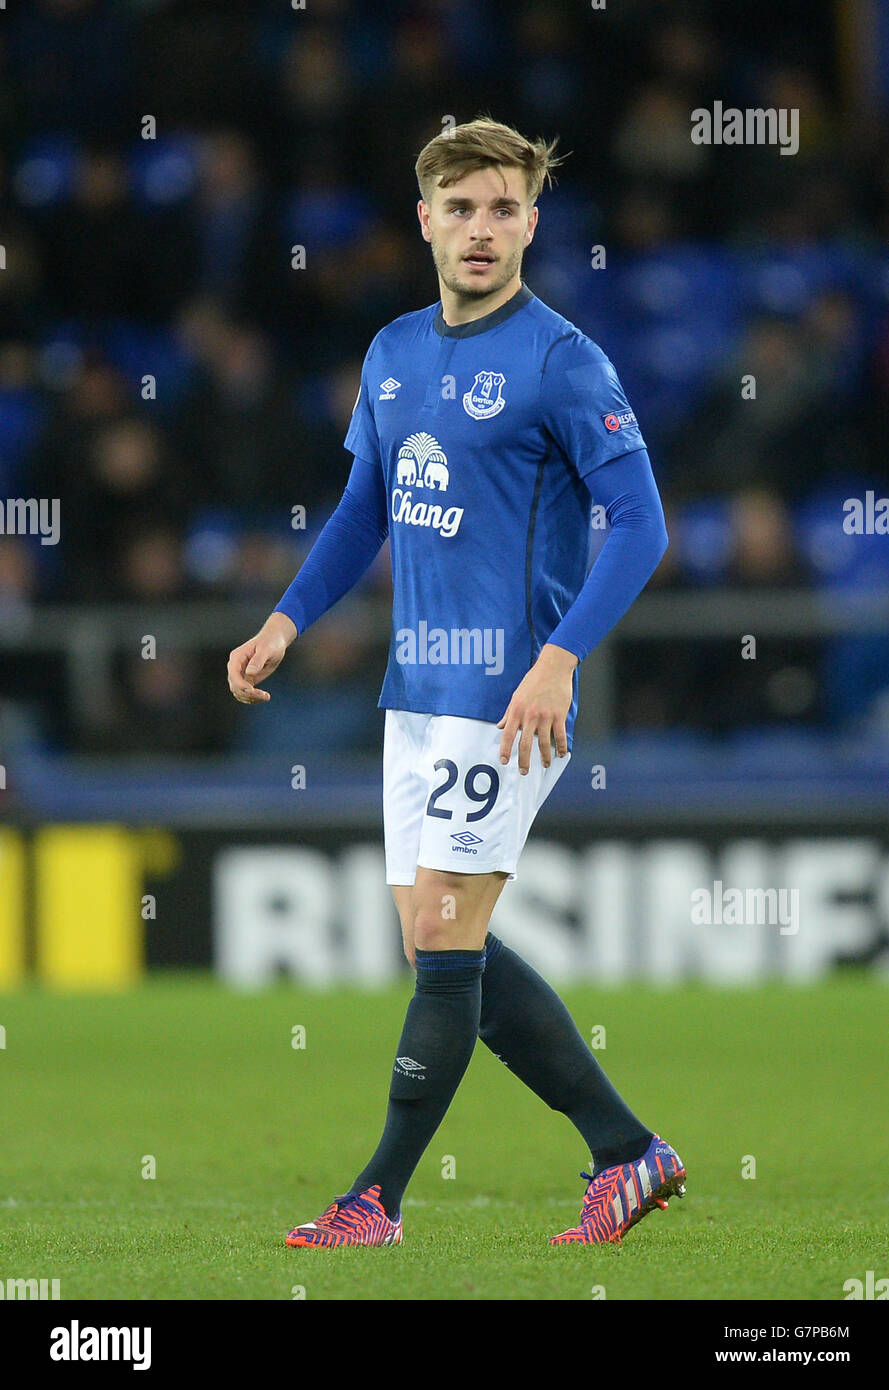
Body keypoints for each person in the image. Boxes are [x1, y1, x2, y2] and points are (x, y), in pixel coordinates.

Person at [227, 118, 686, 1247]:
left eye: (504, 209)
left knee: (442, 930)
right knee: (444, 948)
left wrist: (558, 657)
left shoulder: (562, 359)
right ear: (424, 218)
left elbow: (642, 524)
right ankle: (629, 1151)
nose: (482, 229)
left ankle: (373, 1197)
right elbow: (363, 512)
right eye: (461, 207)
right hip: (413, 694)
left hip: (507, 697)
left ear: (532, 222)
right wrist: (286, 617)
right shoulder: (391, 352)